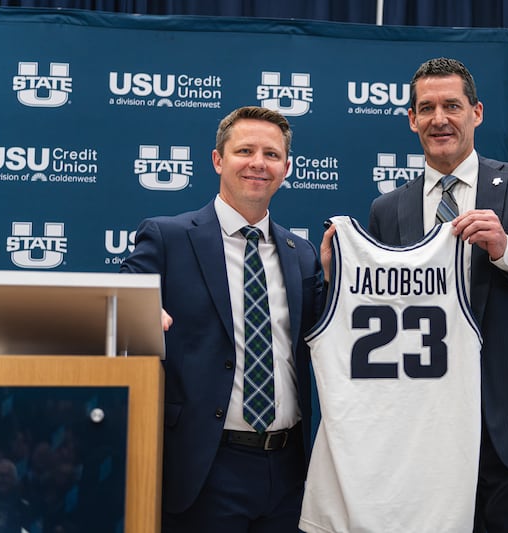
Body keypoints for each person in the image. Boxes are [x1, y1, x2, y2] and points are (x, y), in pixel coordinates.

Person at [325, 57, 508, 532]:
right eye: (426, 108)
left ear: (477, 113)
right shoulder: (388, 209)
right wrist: (339, 279)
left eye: (452, 105)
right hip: (426, 434)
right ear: (411, 119)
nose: (439, 119)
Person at [121, 106, 325, 533]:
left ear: (286, 168)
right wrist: (138, 313)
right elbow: (119, 313)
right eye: (245, 150)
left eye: (271, 154)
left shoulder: (301, 254)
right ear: (218, 160)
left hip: (288, 469)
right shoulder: (167, 237)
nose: (257, 163)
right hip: (204, 465)